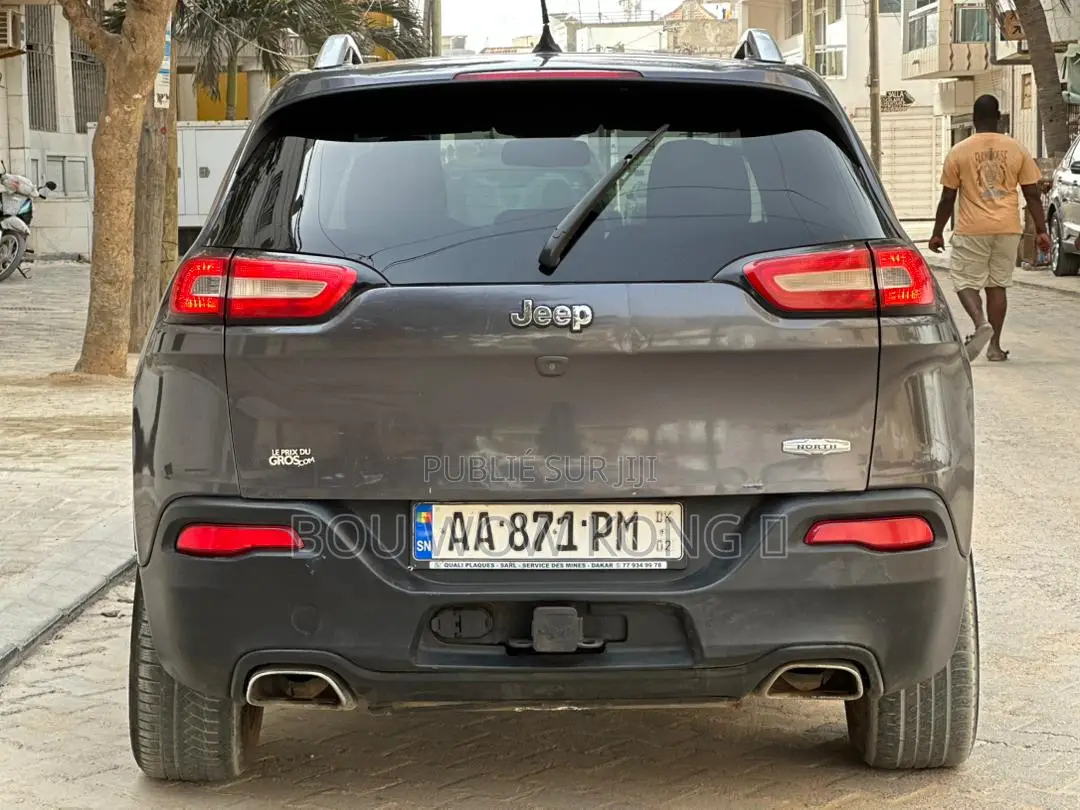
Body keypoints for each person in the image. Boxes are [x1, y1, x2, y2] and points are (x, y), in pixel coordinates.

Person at [928, 94, 1048, 362]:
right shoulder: (1017, 149)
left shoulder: (959, 151)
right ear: (999, 118)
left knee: (964, 281)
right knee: (997, 285)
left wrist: (937, 233)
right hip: (1008, 228)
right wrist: (1041, 231)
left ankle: (980, 322)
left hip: (972, 229)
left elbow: (947, 198)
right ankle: (994, 347)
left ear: (973, 119)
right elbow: (1032, 194)